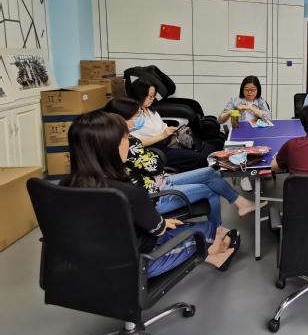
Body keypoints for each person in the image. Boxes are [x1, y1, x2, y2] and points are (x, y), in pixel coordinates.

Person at [59, 111, 239, 276]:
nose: (130, 142)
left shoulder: (65, 186)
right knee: (207, 233)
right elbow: (157, 229)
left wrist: (160, 223)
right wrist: (160, 223)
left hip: (94, 260)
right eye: (126, 138)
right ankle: (222, 247)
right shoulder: (129, 192)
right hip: (139, 264)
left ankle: (218, 258)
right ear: (111, 147)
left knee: (181, 228)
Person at [105, 97, 265, 226]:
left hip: (160, 181)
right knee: (209, 190)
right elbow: (155, 166)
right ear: (121, 119)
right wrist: (155, 157)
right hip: (155, 196)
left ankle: (242, 203)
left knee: (209, 172)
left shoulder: (130, 138)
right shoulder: (122, 144)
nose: (141, 117)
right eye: (137, 115)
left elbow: (153, 166)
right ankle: (217, 231)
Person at [127, 79, 218, 172]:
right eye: (150, 96)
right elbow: (134, 143)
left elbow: (162, 126)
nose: (152, 98)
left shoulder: (150, 110)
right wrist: (162, 136)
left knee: (211, 149)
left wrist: (170, 130)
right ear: (140, 95)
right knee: (201, 158)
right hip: (155, 149)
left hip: (168, 142)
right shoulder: (132, 116)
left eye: (154, 95)